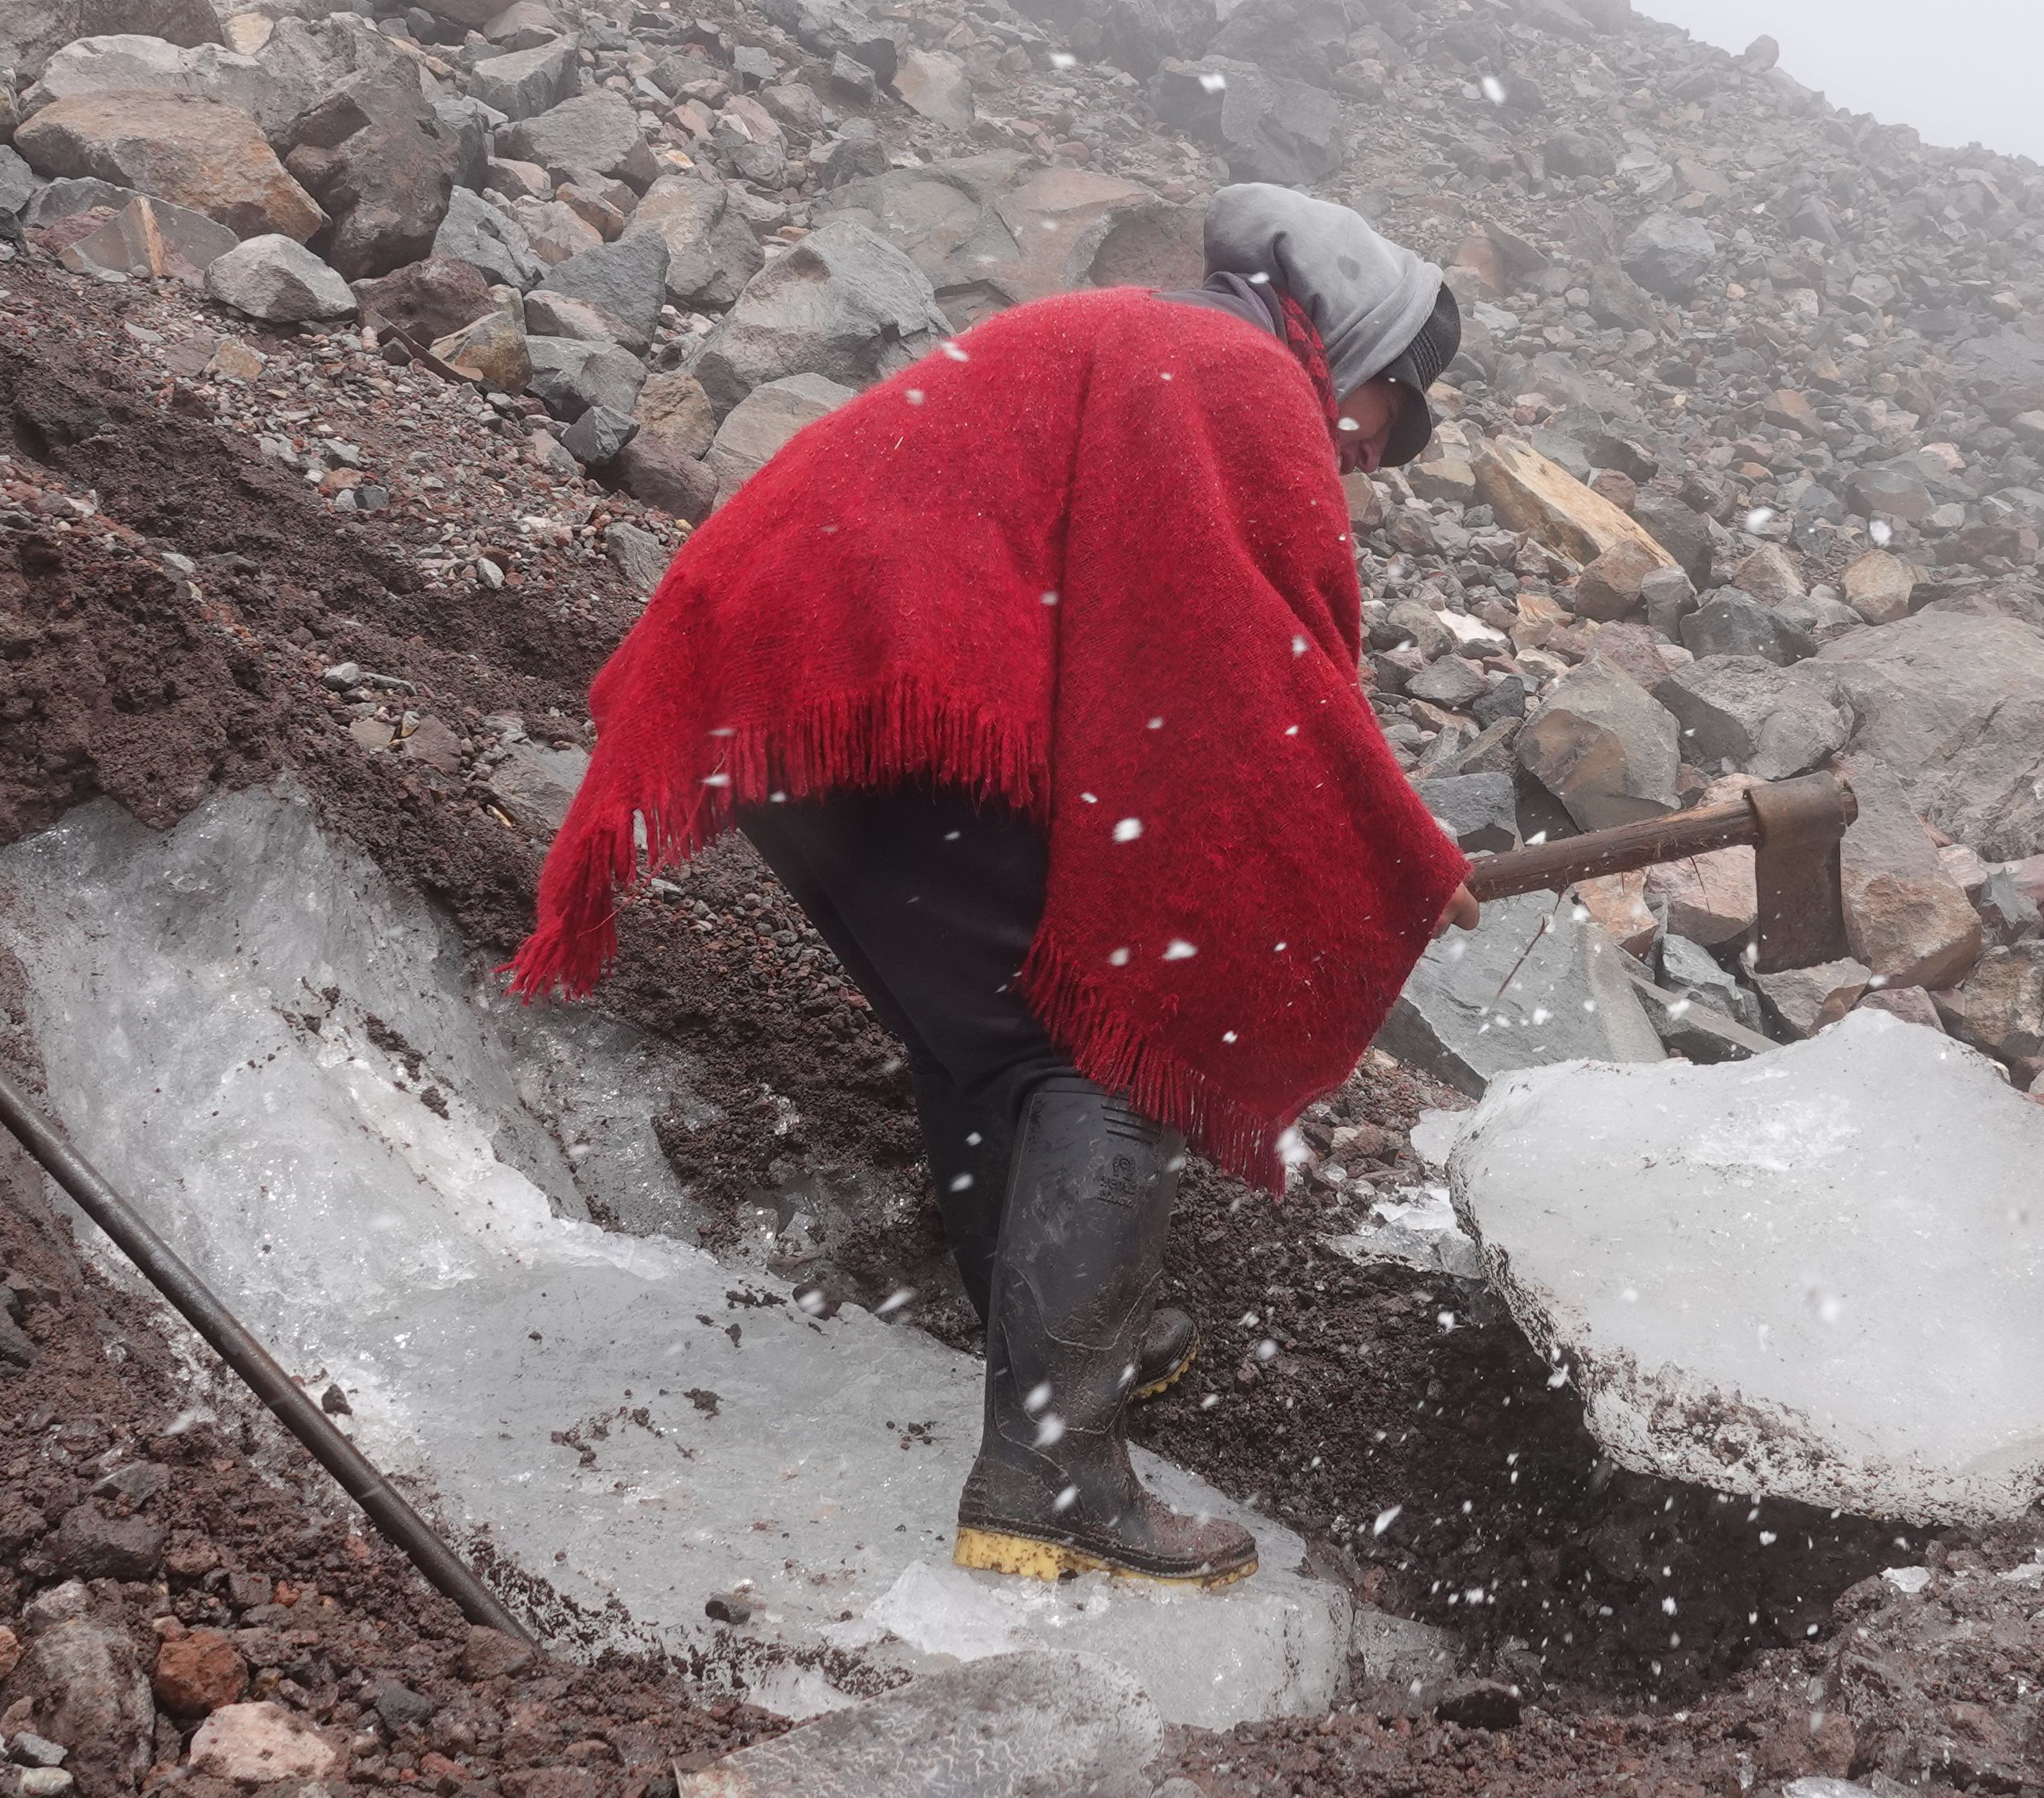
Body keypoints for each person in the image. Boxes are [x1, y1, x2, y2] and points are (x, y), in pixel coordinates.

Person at [505, 185, 1478, 1589]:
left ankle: (1062, 1346)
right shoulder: (1242, 375)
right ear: (1363, 349)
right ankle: (1051, 1471)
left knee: (994, 1025)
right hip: (890, 691)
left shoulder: (1144, 334)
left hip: (799, 696)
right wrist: (1389, 844)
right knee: (1114, 1035)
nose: (1376, 450)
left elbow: (1164, 631)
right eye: (1393, 414)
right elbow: (1247, 669)